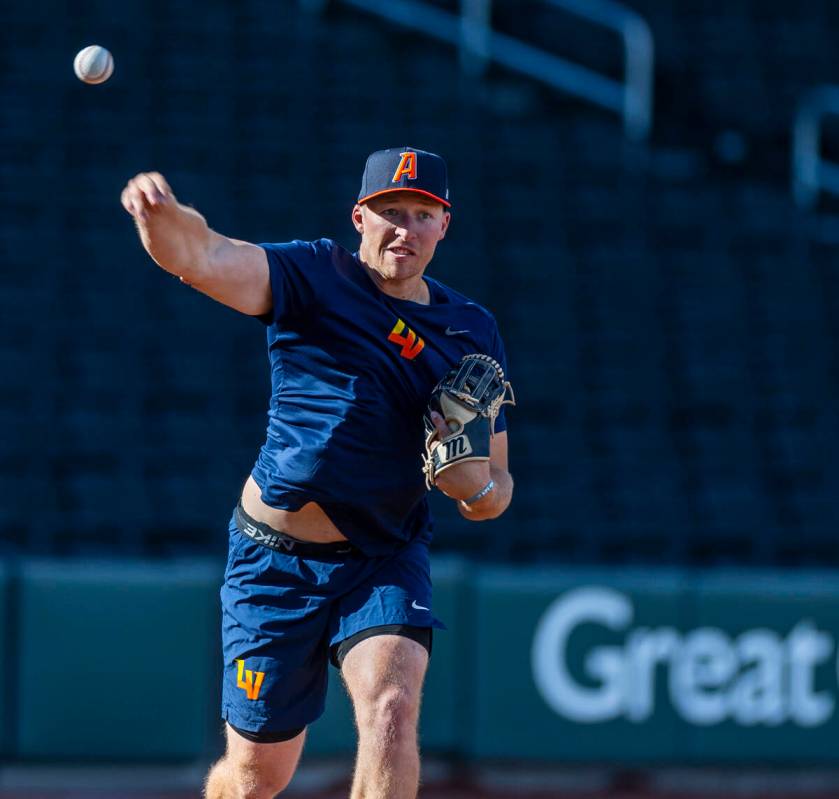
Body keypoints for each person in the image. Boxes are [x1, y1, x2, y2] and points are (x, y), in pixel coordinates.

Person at [121, 147, 513, 799]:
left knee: (392, 708)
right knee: (254, 777)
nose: (404, 229)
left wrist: (470, 484)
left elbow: (496, 489)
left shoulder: (470, 330)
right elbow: (204, 255)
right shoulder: (313, 277)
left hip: (382, 555)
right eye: (390, 211)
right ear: (360, 216)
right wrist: (158, 213)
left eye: (422, 214)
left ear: (444, 226)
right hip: (273, 562)